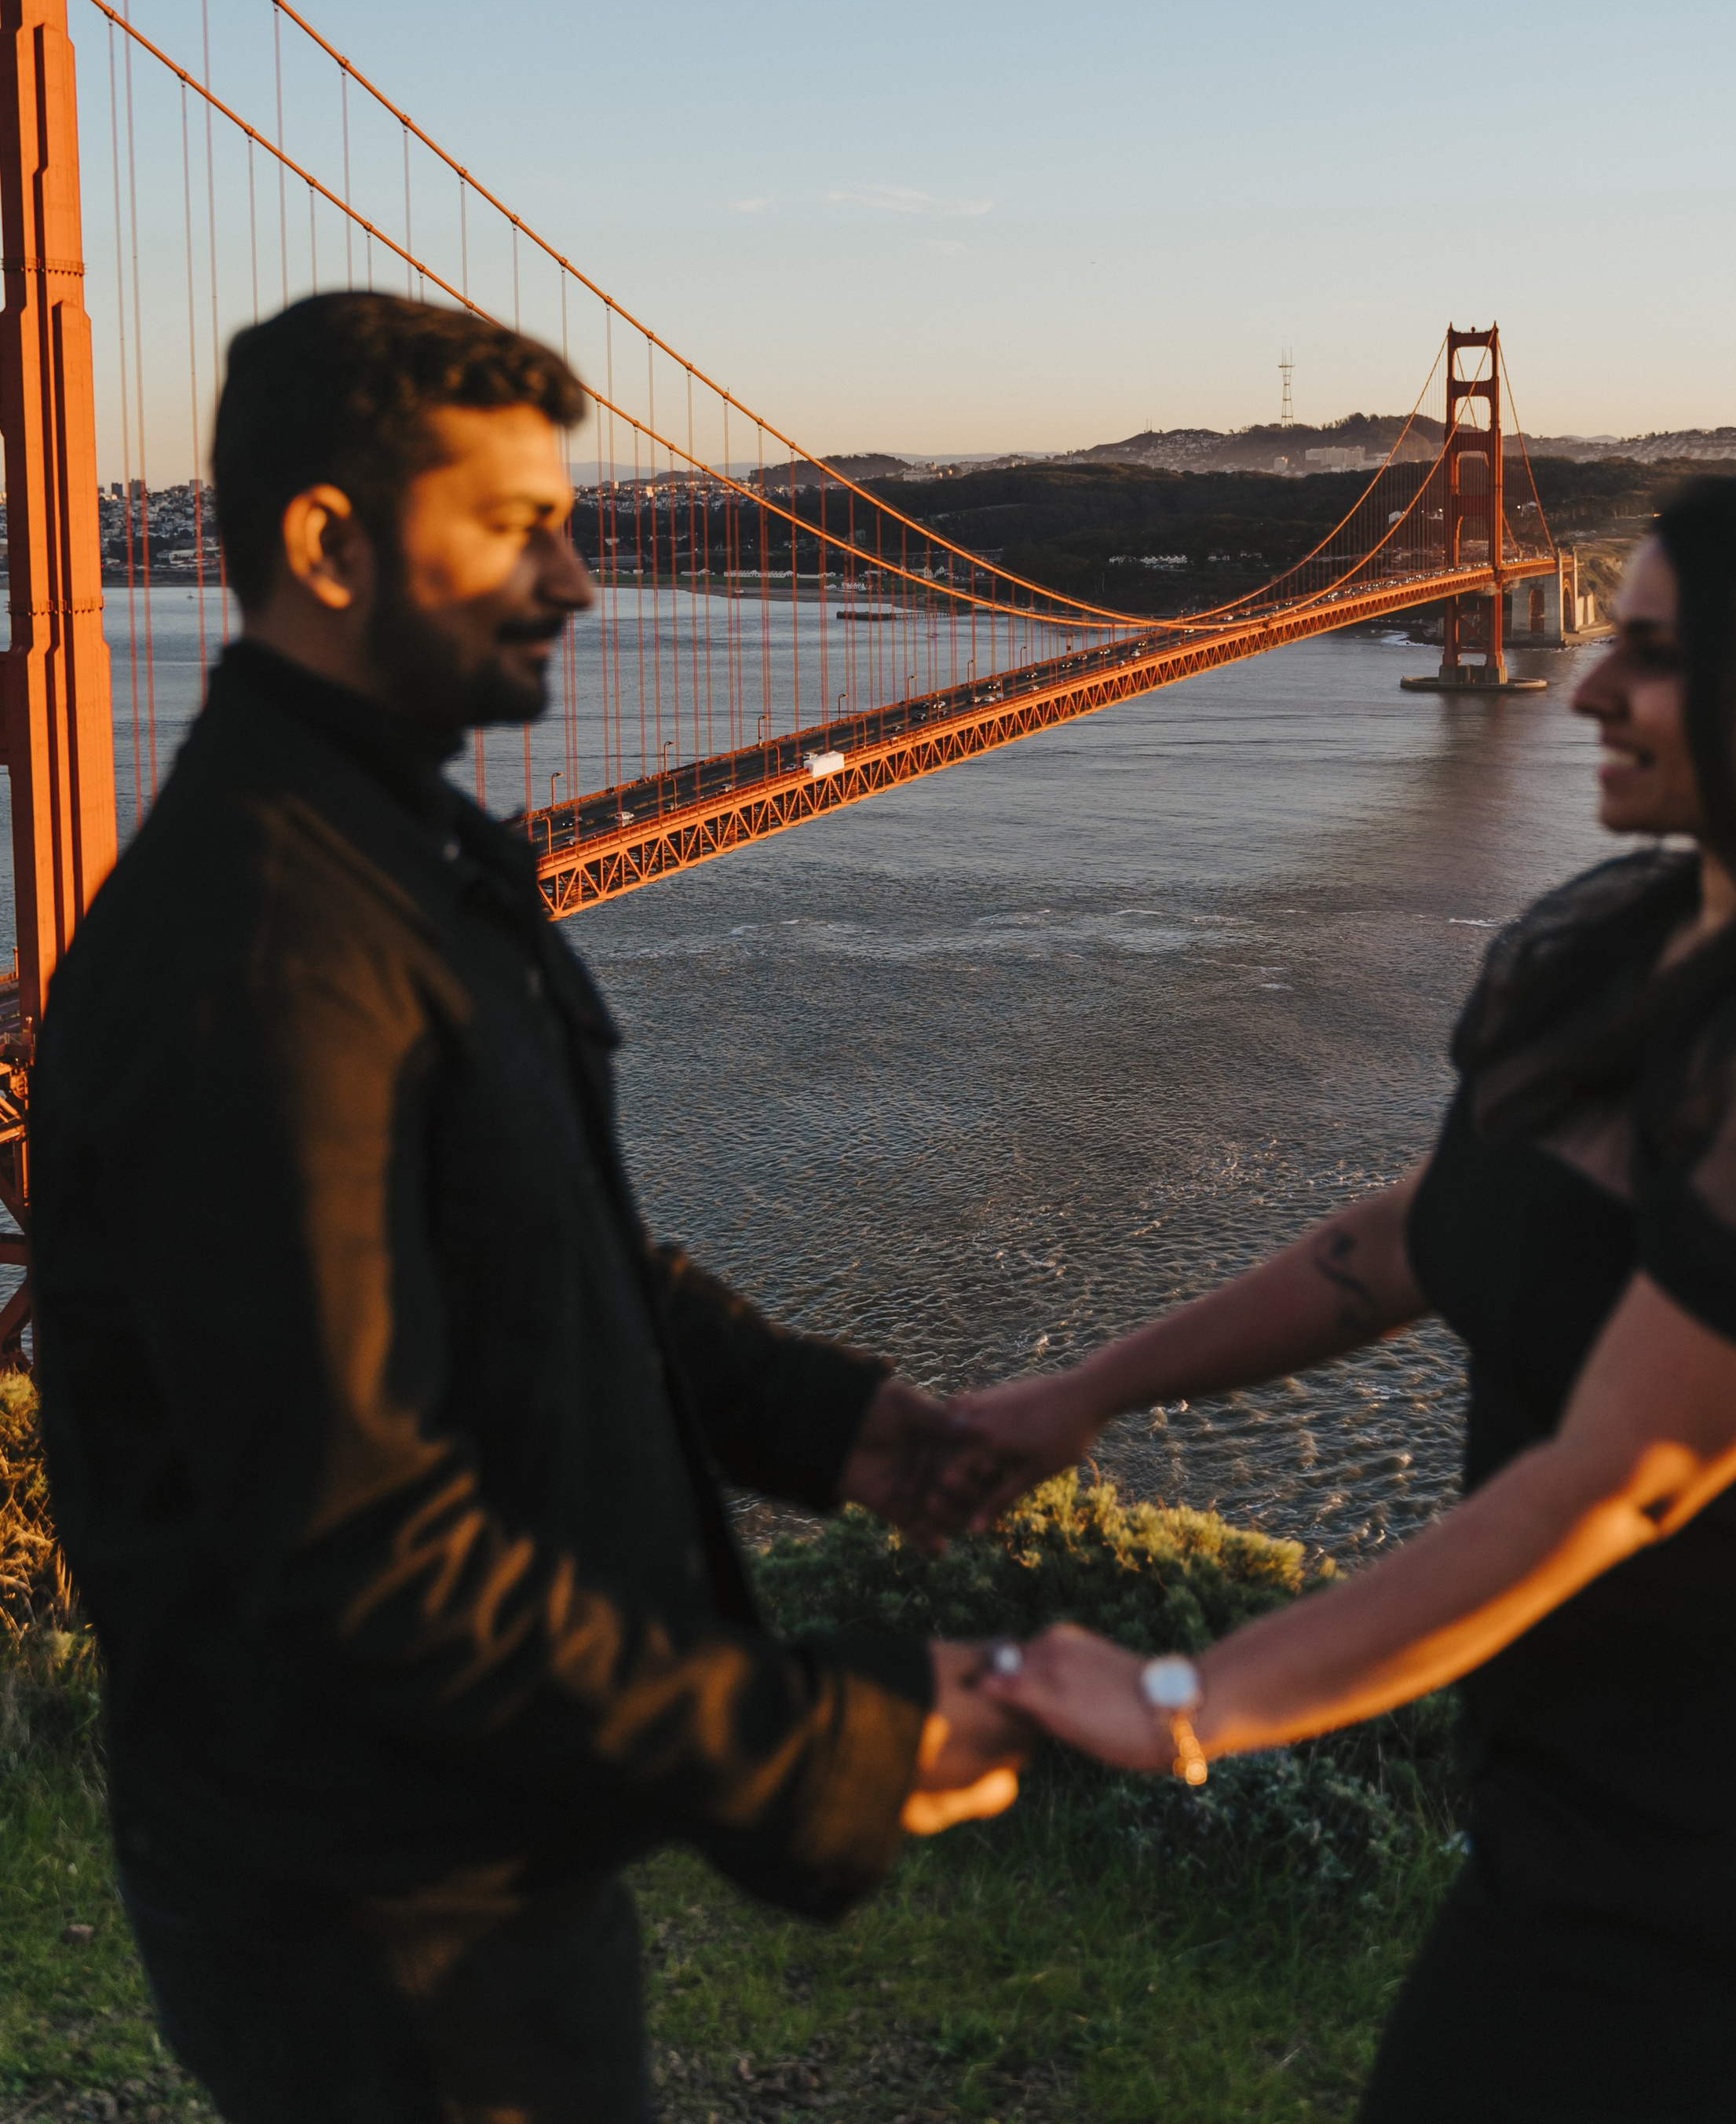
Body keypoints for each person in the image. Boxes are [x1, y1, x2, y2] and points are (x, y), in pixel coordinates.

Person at [31, 291, 1023, 2124]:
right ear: (327, 544)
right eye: (518, 526)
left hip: (450, 1856)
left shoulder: (375, 855)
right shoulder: (267, 954)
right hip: (381, 1915)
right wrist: (823, 1752)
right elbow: (364, 1552)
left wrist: (824, 1422)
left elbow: (529, 1246)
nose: (577, 579)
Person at [954, 467, 1736, 2124]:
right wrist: (1077, 1394)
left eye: (1650, 655)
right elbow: (1401, 1245)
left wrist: (1192, 1700)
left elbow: (1624, 1477)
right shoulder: (1631, 936)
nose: (1581, 680)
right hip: (1577, 1757)